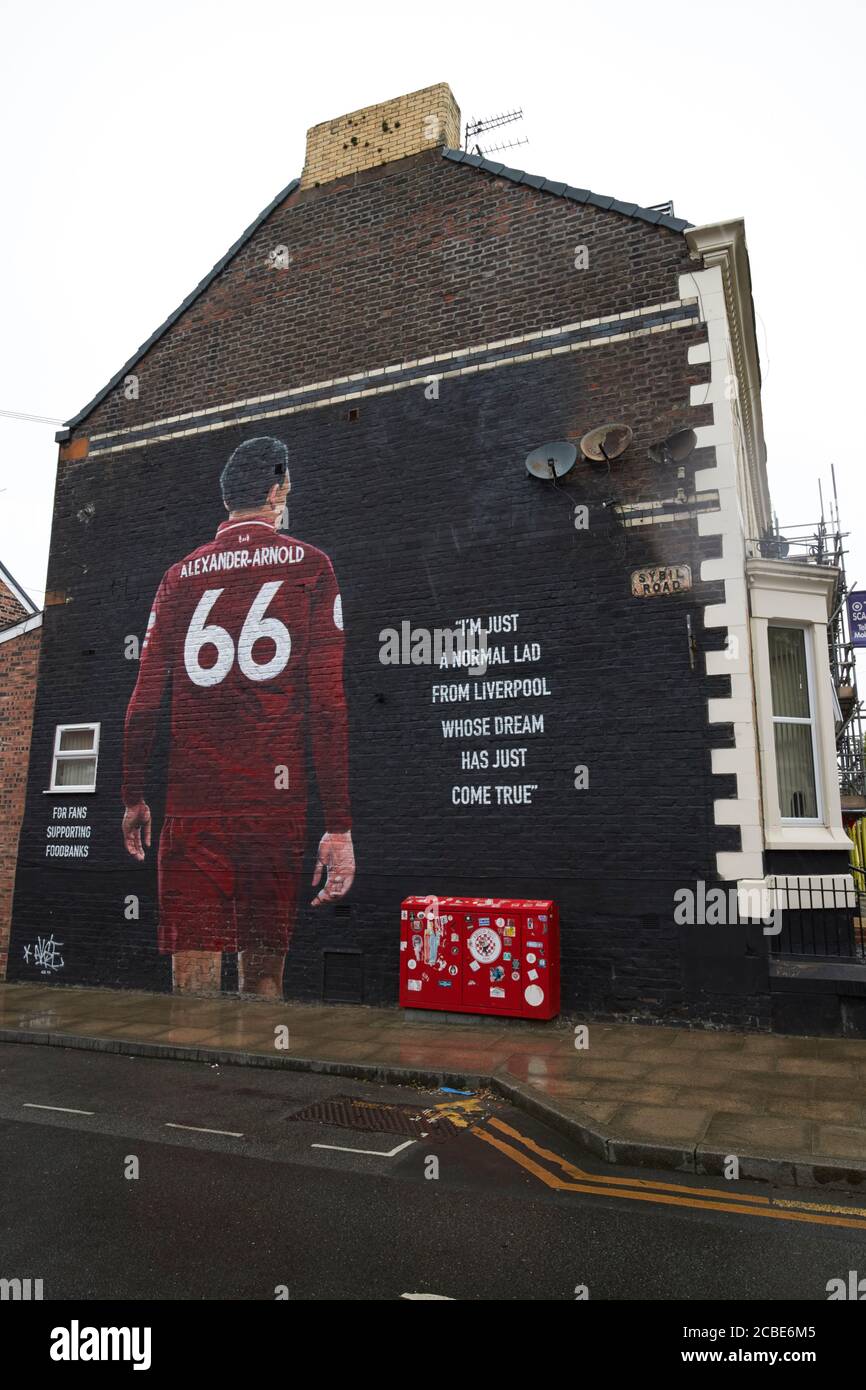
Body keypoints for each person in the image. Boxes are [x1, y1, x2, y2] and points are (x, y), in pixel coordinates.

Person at [121, 435, 354, 996]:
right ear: (276, 492)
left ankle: (193, 1075)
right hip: (275, 806)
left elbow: (144, 700)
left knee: (192, 973)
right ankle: (253, 1070)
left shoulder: (179, 576)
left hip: (194, 802)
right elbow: (328, 706)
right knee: (264, 982)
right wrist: (339, 824)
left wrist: (132, 796)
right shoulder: (313, 566)